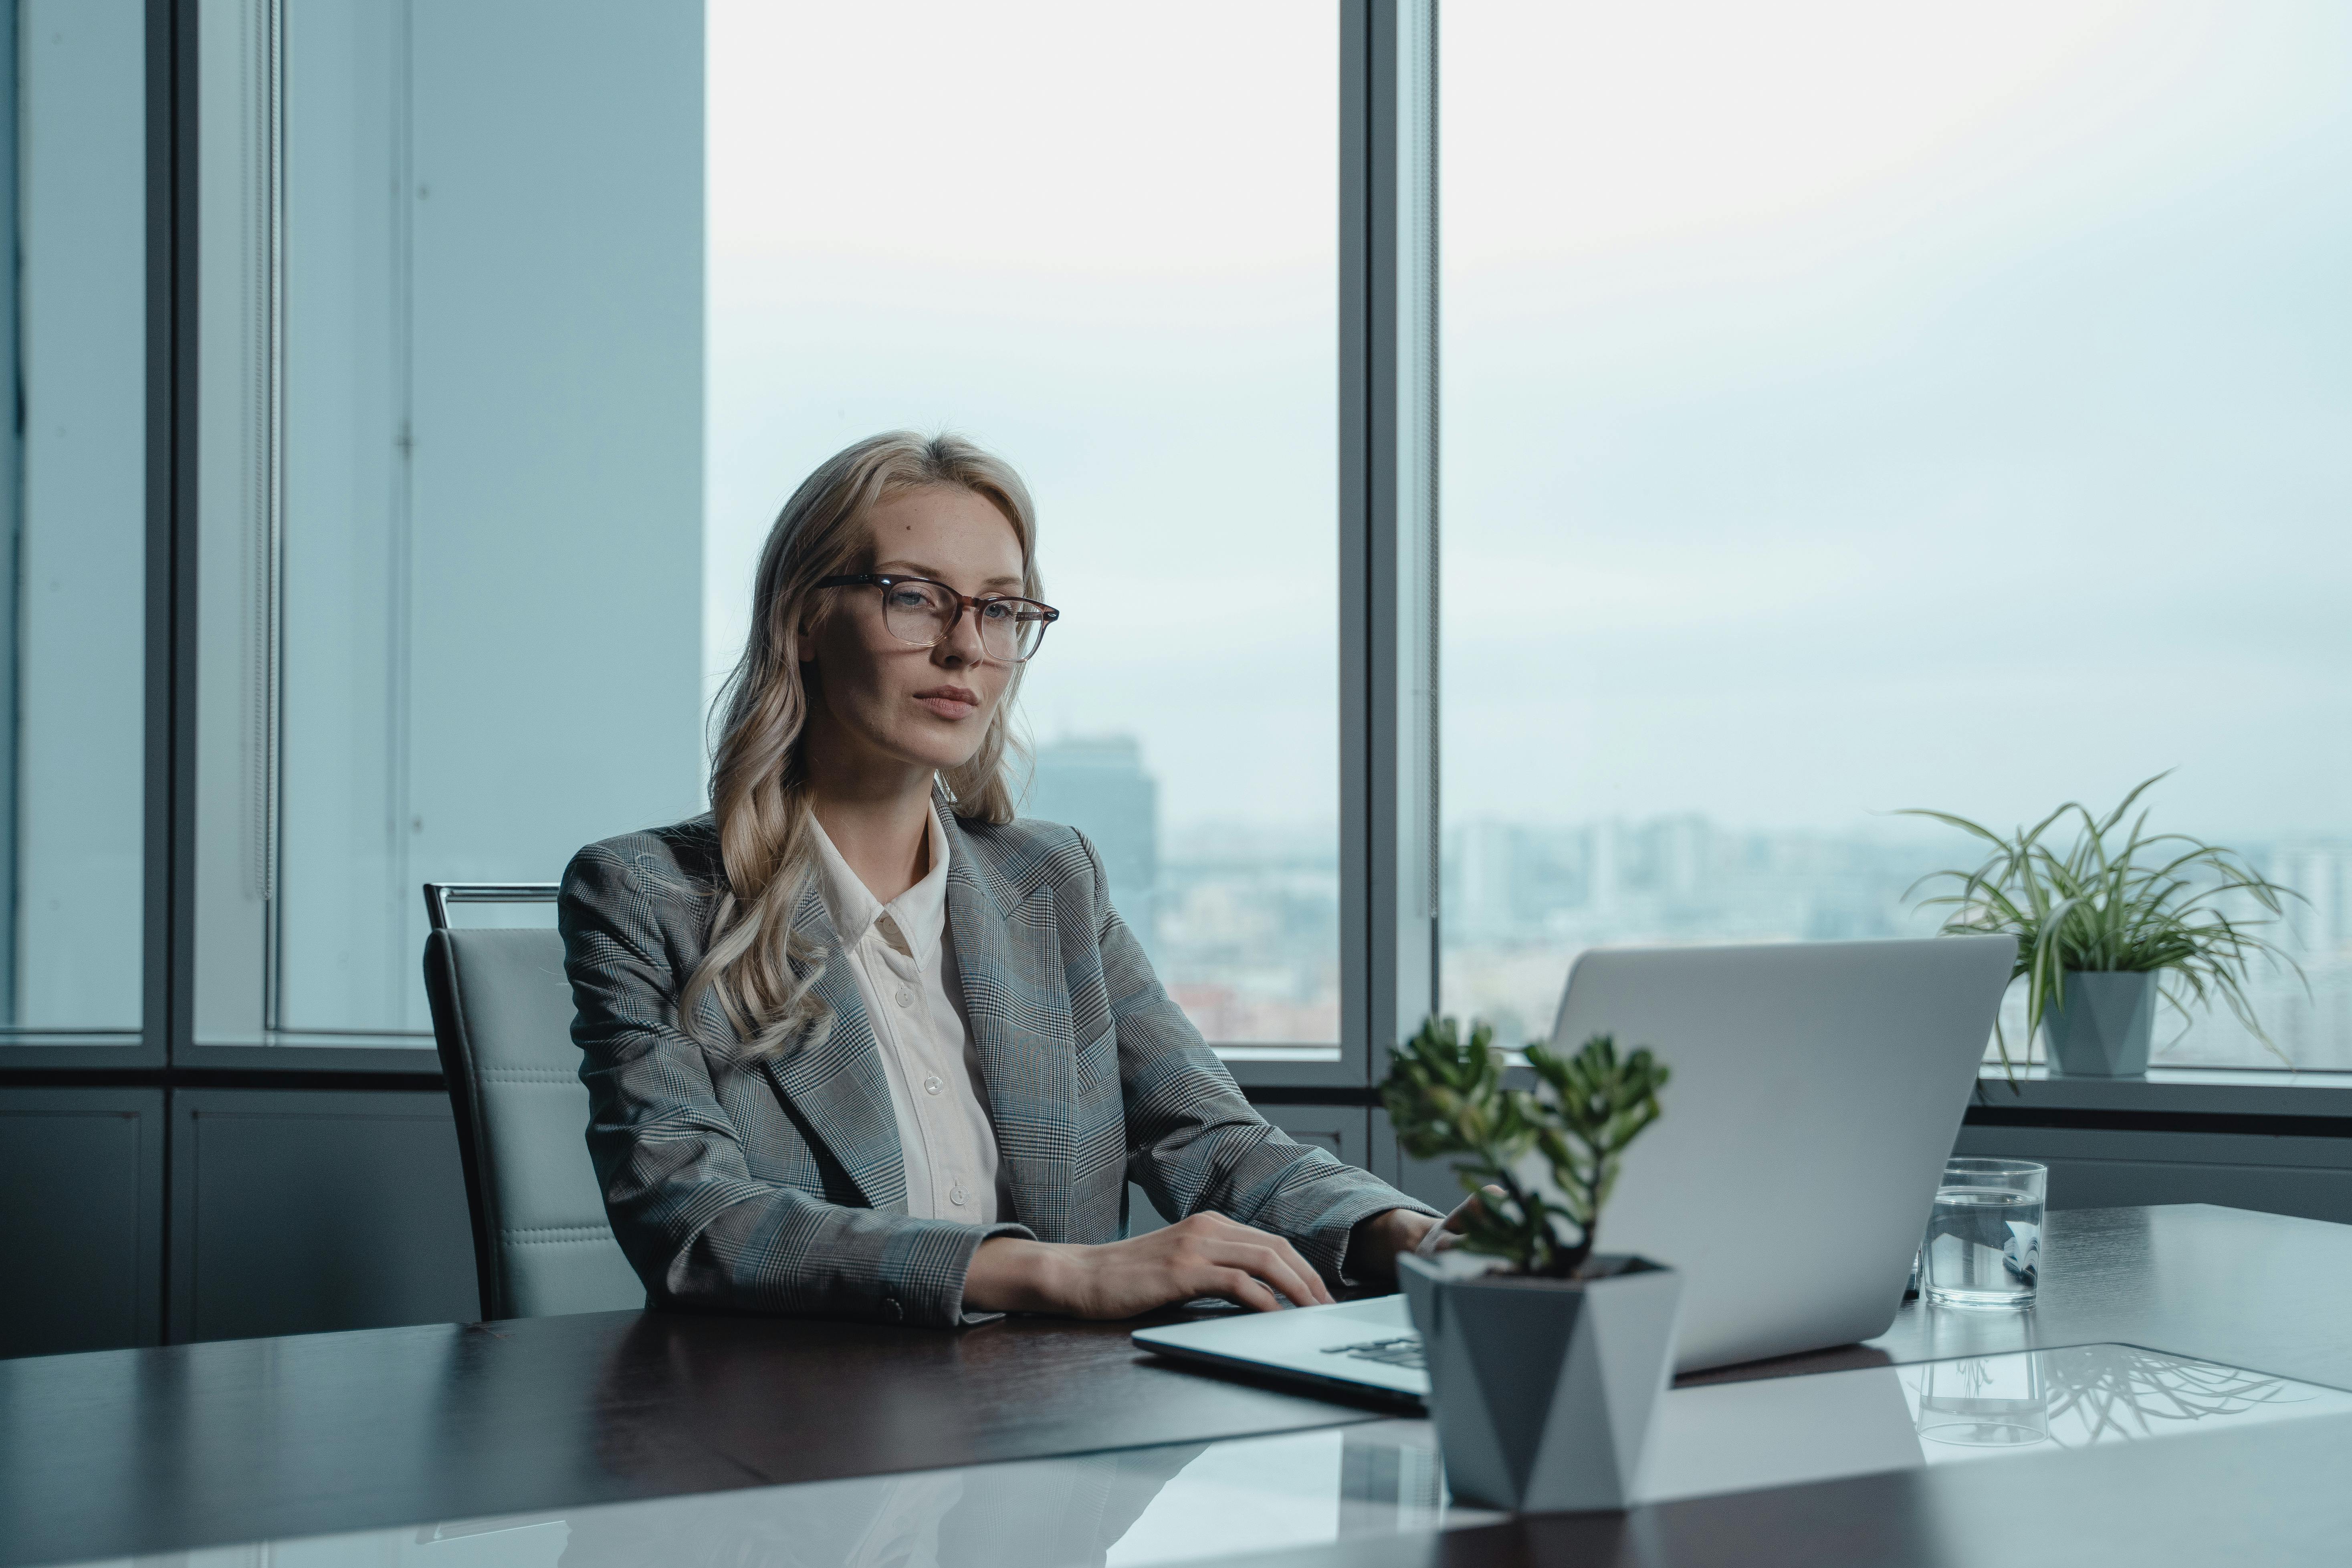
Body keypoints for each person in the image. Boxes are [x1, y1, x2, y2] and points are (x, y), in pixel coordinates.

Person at [560, 431, 1448, 1327]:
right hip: (798, 1431)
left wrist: (1410, 1237)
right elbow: (696, 1219)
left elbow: (1211, 1140)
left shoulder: (1053, 880)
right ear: (802, 620)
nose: (965, 648)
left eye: (1000, 609)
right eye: (914, 598)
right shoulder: (646, 895)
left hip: (1058, 1427)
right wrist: (1058, 1273)